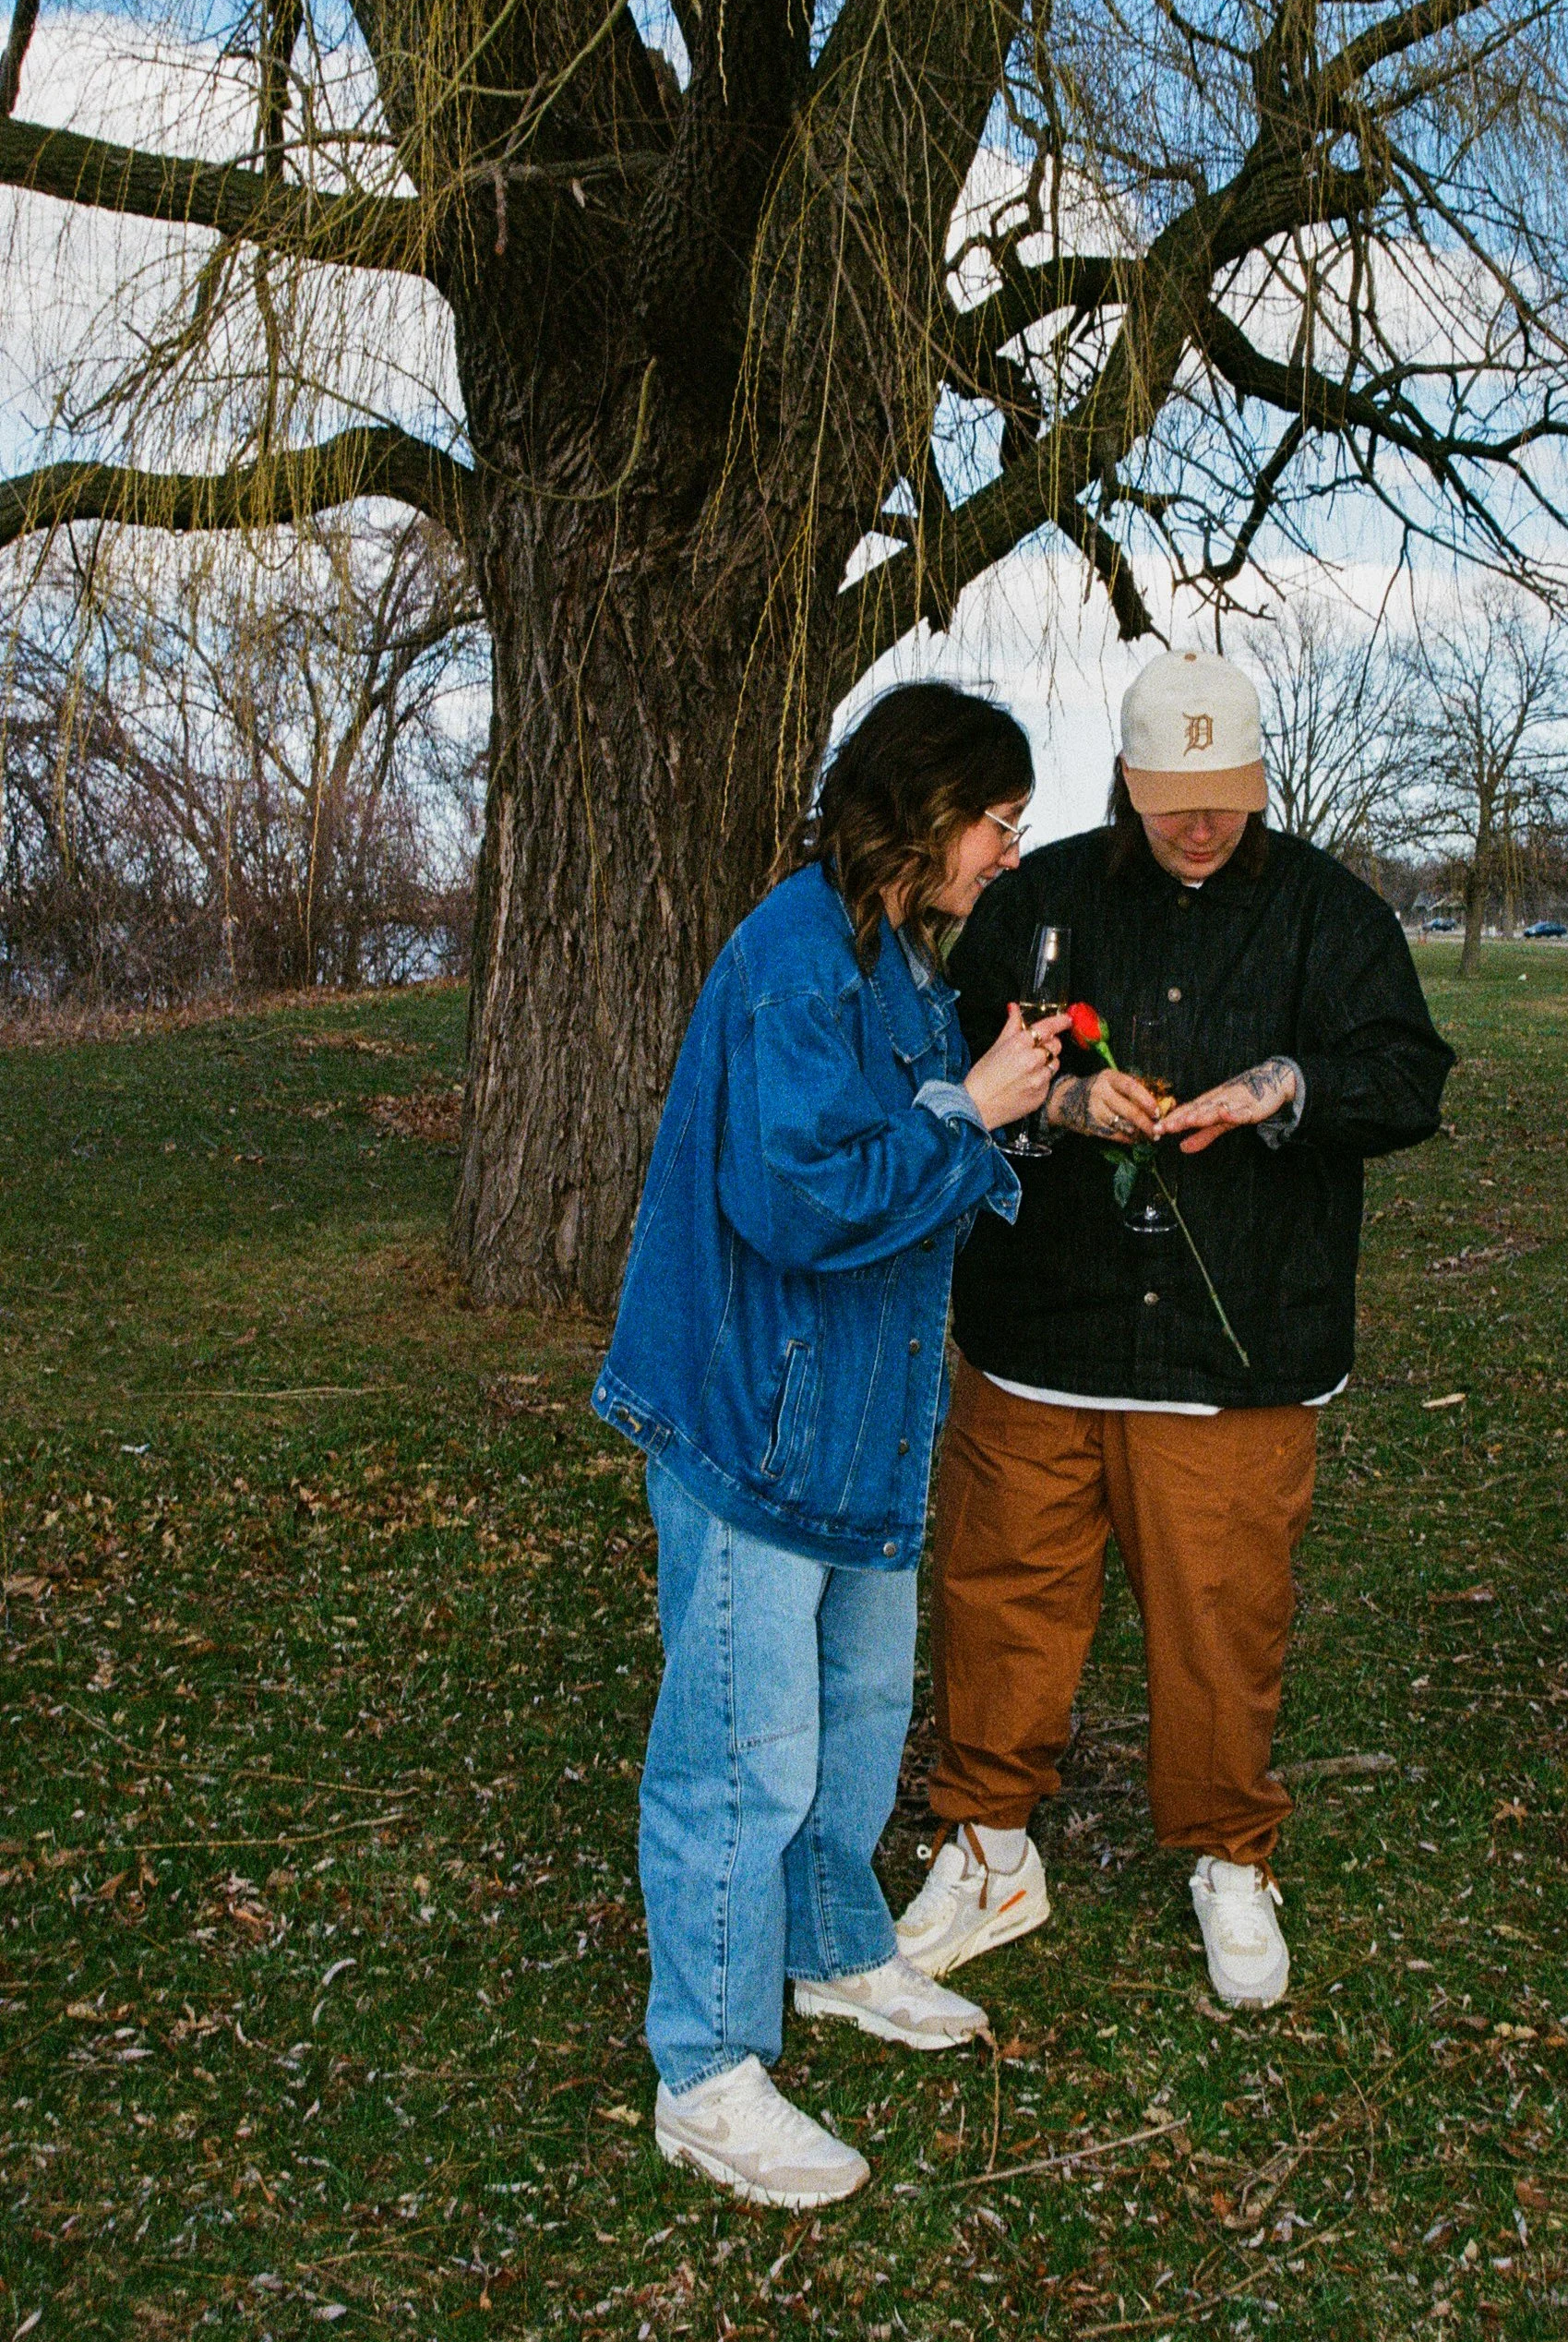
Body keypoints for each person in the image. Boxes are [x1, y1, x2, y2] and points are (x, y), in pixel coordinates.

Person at [895, 651, 1454, 2009]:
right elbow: (947, 1046)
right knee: (1001, 1591)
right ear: (1128, 782)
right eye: (1171, 800)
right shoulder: (1042, 894)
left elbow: (1407, 1076)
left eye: (1224, 798)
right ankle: (989, 1846)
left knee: (1221, 1617)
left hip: (1239, 1346)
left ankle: (1227, 1854)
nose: (1199, 825)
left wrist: (1281, 1087)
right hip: (1044, 1330)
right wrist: (1058, 1105)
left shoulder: (1331, 912)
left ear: (1257, 781)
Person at [592, 682, 1064, 2209]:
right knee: (741, 1755)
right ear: (928, 813)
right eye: (999, 822)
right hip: (753, 1423)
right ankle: (709, 2069)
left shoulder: (896, 959)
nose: (1009, 851)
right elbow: (796, 1204)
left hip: (855, 1427)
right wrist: (969, 1115)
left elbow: (906, 1136)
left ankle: (830, 1949)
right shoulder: (795, 960)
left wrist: (994, 1103)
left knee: (858, 1707)